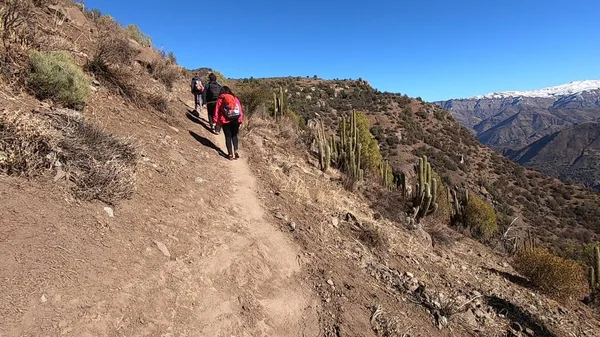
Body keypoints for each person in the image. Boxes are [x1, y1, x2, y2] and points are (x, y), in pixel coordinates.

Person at [213, 86, 243, 160]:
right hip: (236, 120)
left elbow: (216, 111)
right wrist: (240, 119)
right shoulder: (235, 98)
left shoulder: (220, 99)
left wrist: (215, 121)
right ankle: (236, 150)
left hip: (225, 120)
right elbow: (239, 109)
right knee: (234, 136)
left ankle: (230, 155)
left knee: (228, 137)